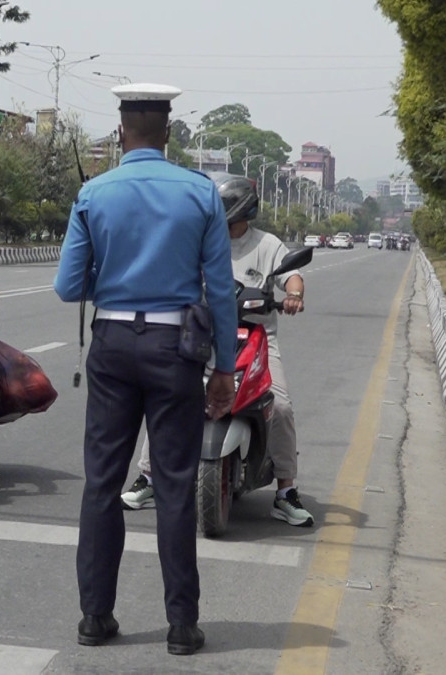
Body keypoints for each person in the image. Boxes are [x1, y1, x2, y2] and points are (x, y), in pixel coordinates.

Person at [53, 83, 237, 656]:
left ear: (120, 131)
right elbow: (221, 290)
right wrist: (225, 367)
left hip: (111, 343)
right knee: (175, 484)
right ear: (169, 132)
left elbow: (67, 286)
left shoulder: (94, 192)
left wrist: (112, 279)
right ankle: (181, 625)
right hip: (175, 347)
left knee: (102, 482)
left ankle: (94, 617)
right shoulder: (200, 192)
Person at [121, 175, 314, 527]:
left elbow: (292, 276)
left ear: (243, 210)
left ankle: (286, 490)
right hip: (202, 335)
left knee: (281, 407)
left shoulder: (267, 244)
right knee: (168, 395)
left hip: (257, 336)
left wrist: (293, 295)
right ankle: (148, 477)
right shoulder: (201, 239)